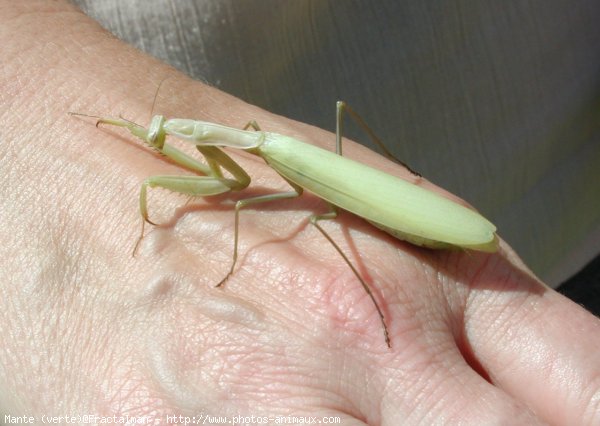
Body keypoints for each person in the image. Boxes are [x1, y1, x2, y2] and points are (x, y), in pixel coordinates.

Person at [0, 1, 598, 423]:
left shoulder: (253, 157)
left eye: (163, 137)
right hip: (549, 210)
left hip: (570, 211)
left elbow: (229, 190)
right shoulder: (250, 145)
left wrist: (244, 258)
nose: (158, 144)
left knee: (319, 215)